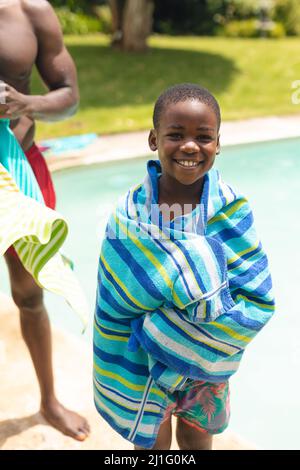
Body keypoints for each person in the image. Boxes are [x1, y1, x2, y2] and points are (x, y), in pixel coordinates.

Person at [93, 83, 275, 450]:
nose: (190, 146)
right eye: (175, 135)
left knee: (196, 439)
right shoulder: (130, 215)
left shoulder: (230, 209)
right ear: (153, 139)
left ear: (218, 143)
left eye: (203, 137)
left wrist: (183, 323)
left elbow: (256, 293)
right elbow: (117, 292)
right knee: (151, 444)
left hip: (205, 356)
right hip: (141, 357)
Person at [0, 0, 89, 441]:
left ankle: (49, 401)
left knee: (30, 293)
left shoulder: (31, 11)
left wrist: (24, 101)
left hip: (19, 171)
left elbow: (69, 96)